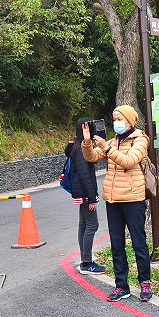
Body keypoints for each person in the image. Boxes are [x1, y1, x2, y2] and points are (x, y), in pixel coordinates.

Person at [82, 104, 153, 302]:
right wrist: (87, 143)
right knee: (117, 244)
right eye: (114, 119)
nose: (116, 123)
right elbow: (92, 157)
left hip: (133, 198)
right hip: (113, 200)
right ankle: (121, 285)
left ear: (130, 121)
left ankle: (145, 282)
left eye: (119, 119)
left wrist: (107, 148)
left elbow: (129, 161)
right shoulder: (113, 141)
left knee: (139, 243)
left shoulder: (140, 140)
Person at [65, 117, 105, 275]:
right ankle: (87, 263)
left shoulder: (73, 146)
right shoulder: (81, 149)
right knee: (92, 225)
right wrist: (91, 198)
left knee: (84, 225)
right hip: (84, 193)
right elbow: (85, 175)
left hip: (79, 192)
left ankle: (84, 259)